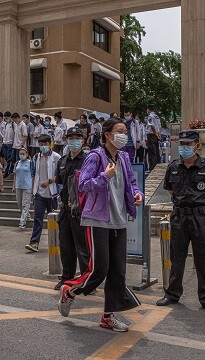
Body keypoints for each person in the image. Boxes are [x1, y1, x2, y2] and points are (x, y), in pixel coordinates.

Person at [58, 117, 143, 332]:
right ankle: (69, 291)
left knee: (118, 271)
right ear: (107, 134)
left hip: (118, 219)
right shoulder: (95, 157)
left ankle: (108, 316)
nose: (124, 135)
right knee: (98, 270)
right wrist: (105, 177)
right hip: (97, 219)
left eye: (125, 131)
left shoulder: (124, 157)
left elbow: (131, 183)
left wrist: (136, 194)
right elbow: (84, 185)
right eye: (119, 131)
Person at [156, 130, 205, 315]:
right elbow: (170, 189)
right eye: (182, 143)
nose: (184, 147)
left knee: (204, 257)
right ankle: (172, 294)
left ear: (197, 145)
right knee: (176, 256)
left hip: (200, 216)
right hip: (179, 215)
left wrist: (198, 201)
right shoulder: (173, 166)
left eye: (188, 144)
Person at [53, 127, 89, 291]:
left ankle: (86, 280)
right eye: (71, 138)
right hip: (66, 209)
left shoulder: (88, 160)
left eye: (77, 138)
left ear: (82, 140)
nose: (74, 141)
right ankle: (67, 277)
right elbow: (59, 180)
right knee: (65, 245)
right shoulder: (62, 161)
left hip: (81, 210)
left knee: (83, 246)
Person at [25, 135, 60, 252]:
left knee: (54, 219)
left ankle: (57, 241)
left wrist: (49, 181)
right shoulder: (36, 157)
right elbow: (34, 173)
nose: (43, 146)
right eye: (41, 144)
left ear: (50, 144)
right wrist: (33, 190)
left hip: (52, 194)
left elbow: (60, 174)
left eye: (45, 144)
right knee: (37, 218)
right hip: (39, 193)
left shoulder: (56, 157)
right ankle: (34, 242)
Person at [13, 147, 35, 229]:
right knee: (19, 203)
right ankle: (27, 215)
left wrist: (33, 187)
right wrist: (13, 186)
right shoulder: (17, 163)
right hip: (18, 185)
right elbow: (15, 175)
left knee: (25, 204)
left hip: (27, 186)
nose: (21, 155)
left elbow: (33, 176)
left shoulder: (30, 163)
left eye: (23, 154)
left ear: (27, 154)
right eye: (20, 154)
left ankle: (22, 222)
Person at [8, 113, 28, 178]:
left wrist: (22, 145)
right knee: (13, 160)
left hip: (20, 146)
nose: (13, 120)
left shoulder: (23, 125)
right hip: (15, 146)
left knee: (19, 161)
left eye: (14, 119)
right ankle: (14, 173)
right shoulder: (16, 125)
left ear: (17, 118)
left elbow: (25, 135)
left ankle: (19, 175)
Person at [146, 105, 162, 171]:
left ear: (149, 109)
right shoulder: (157, 116)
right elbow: (160, 127)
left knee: (152, 152)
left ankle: (153, 167)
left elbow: (151, 126)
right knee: (156, 151)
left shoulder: (150, 116)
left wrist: (155, 134)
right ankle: (158, 165)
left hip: (151, 135)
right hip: (156, 135)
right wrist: (159, 135)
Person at [0, 111, 15, 178]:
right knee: (5, 157)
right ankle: (8, 171)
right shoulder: (6, 124)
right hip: (5, 142)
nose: (6, 119)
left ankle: (8, 172)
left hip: (10, 143)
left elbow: (15, 133)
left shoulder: (13, 124)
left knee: (9, 158)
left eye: (7, 117)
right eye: (5, 118)